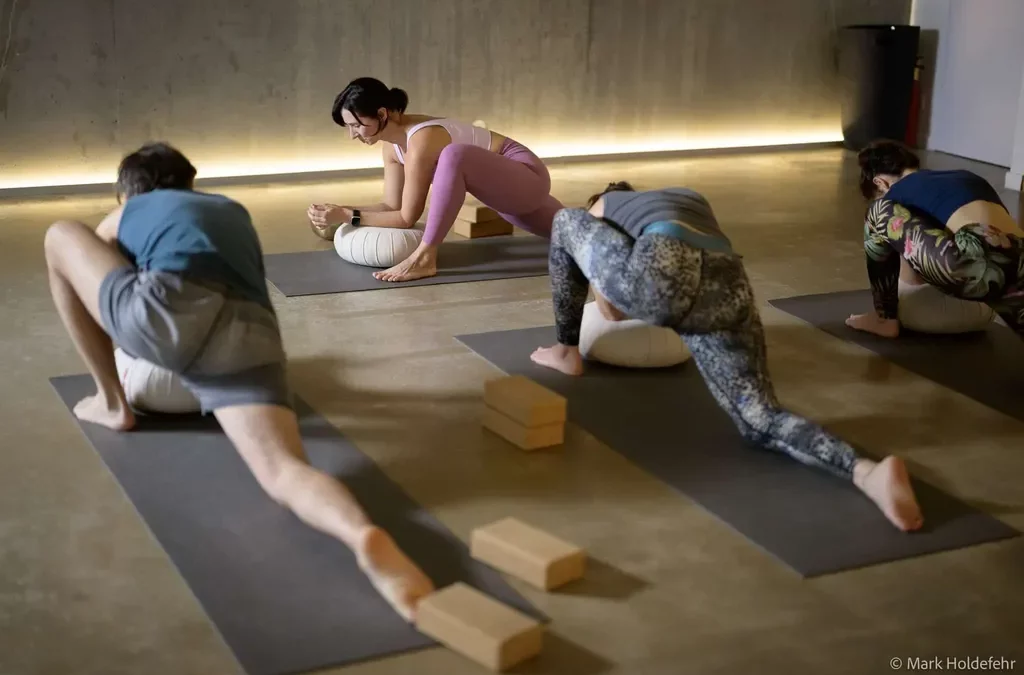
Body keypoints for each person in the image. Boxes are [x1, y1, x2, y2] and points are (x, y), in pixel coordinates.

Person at [44, 142, 434, 621]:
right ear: (190, 182)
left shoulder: (132, 210)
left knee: (60, 235)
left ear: (127, 193)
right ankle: (359, 534)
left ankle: (111, 401)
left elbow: (101, 265)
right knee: (284, 472)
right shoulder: (229, 209)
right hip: (253, 333)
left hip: (169, 309)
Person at [529, 182, 924, 533]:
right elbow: (692, 271)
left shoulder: (605, 207)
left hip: (665, 273)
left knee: (565, 220)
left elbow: (615, 311)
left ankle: (565, 351)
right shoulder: (686, 197)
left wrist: (594, 273)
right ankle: (868, 473)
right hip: (728, 284)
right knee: (759, 419)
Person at [307, 77, 564, 282]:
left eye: (356, 125)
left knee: (454, 154)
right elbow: (391, 206)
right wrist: (336, 211)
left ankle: (425, 257)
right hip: (506, 199)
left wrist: (346, 216)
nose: (353, 135)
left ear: (382, 114)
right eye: (348, 127)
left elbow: (407, 218)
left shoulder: (421, 138)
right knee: (578, 232)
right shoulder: (391, 147)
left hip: (526, 177)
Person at [845, 139, 1024, 339]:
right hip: (1017, 262)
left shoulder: (895, 195)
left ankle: (883, 320)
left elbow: (913, 279)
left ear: (880, 182)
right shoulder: (965, 177)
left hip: (974, 261)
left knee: (876, 214)